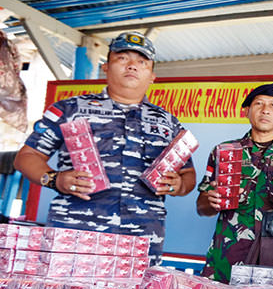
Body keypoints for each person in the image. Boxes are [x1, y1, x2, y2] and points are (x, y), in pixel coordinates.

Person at [14, 31, 196, 262]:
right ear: (106, 68)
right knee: (68, 286)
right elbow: (26, 157)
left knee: (136, 288)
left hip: (142, 239)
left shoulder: (168, 122)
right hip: (75, 233)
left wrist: (179, 185)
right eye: (122, 58)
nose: (132, 66)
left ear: (152, 76)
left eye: (142, 62)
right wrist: (54, 179)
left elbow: (188, 174)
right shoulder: (70, 110)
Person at [196, 83, 273, 282]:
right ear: (246, 112)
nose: (265, 110)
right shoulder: (225, 152)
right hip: (229, 255)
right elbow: (201, 208)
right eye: (259, 104)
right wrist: (210, 202)